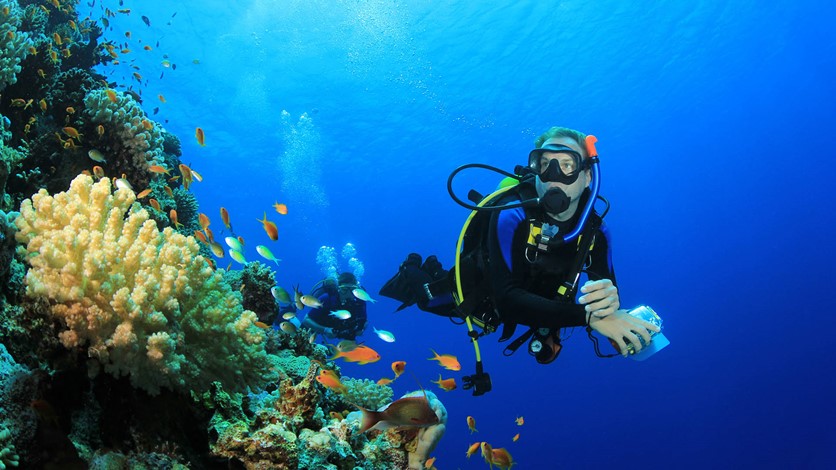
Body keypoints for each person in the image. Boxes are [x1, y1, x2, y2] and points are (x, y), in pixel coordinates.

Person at [381, 126, 659, 367]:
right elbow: (507, 301)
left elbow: (604, 300)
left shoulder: (596, 233)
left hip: (536, 298)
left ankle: (431, 268)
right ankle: (413, 269)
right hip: (481, 292)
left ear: (588, 176)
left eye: (567, 165)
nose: (553, 175)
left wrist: (609, 304)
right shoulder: (511, 214)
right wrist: (586, 317)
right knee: (426, 300)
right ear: (535, 170)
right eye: (544, 163)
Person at [300, 272, 368, 340]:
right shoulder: (327, 298)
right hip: (322, 323)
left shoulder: (360, 301)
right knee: (301, 337)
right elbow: (306, 320)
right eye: (344, 290)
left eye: (352, 290)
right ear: (339, 289)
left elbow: (364, 321)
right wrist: (324, 330)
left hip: (341, 328)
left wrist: (360, 329)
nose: (348, 294)